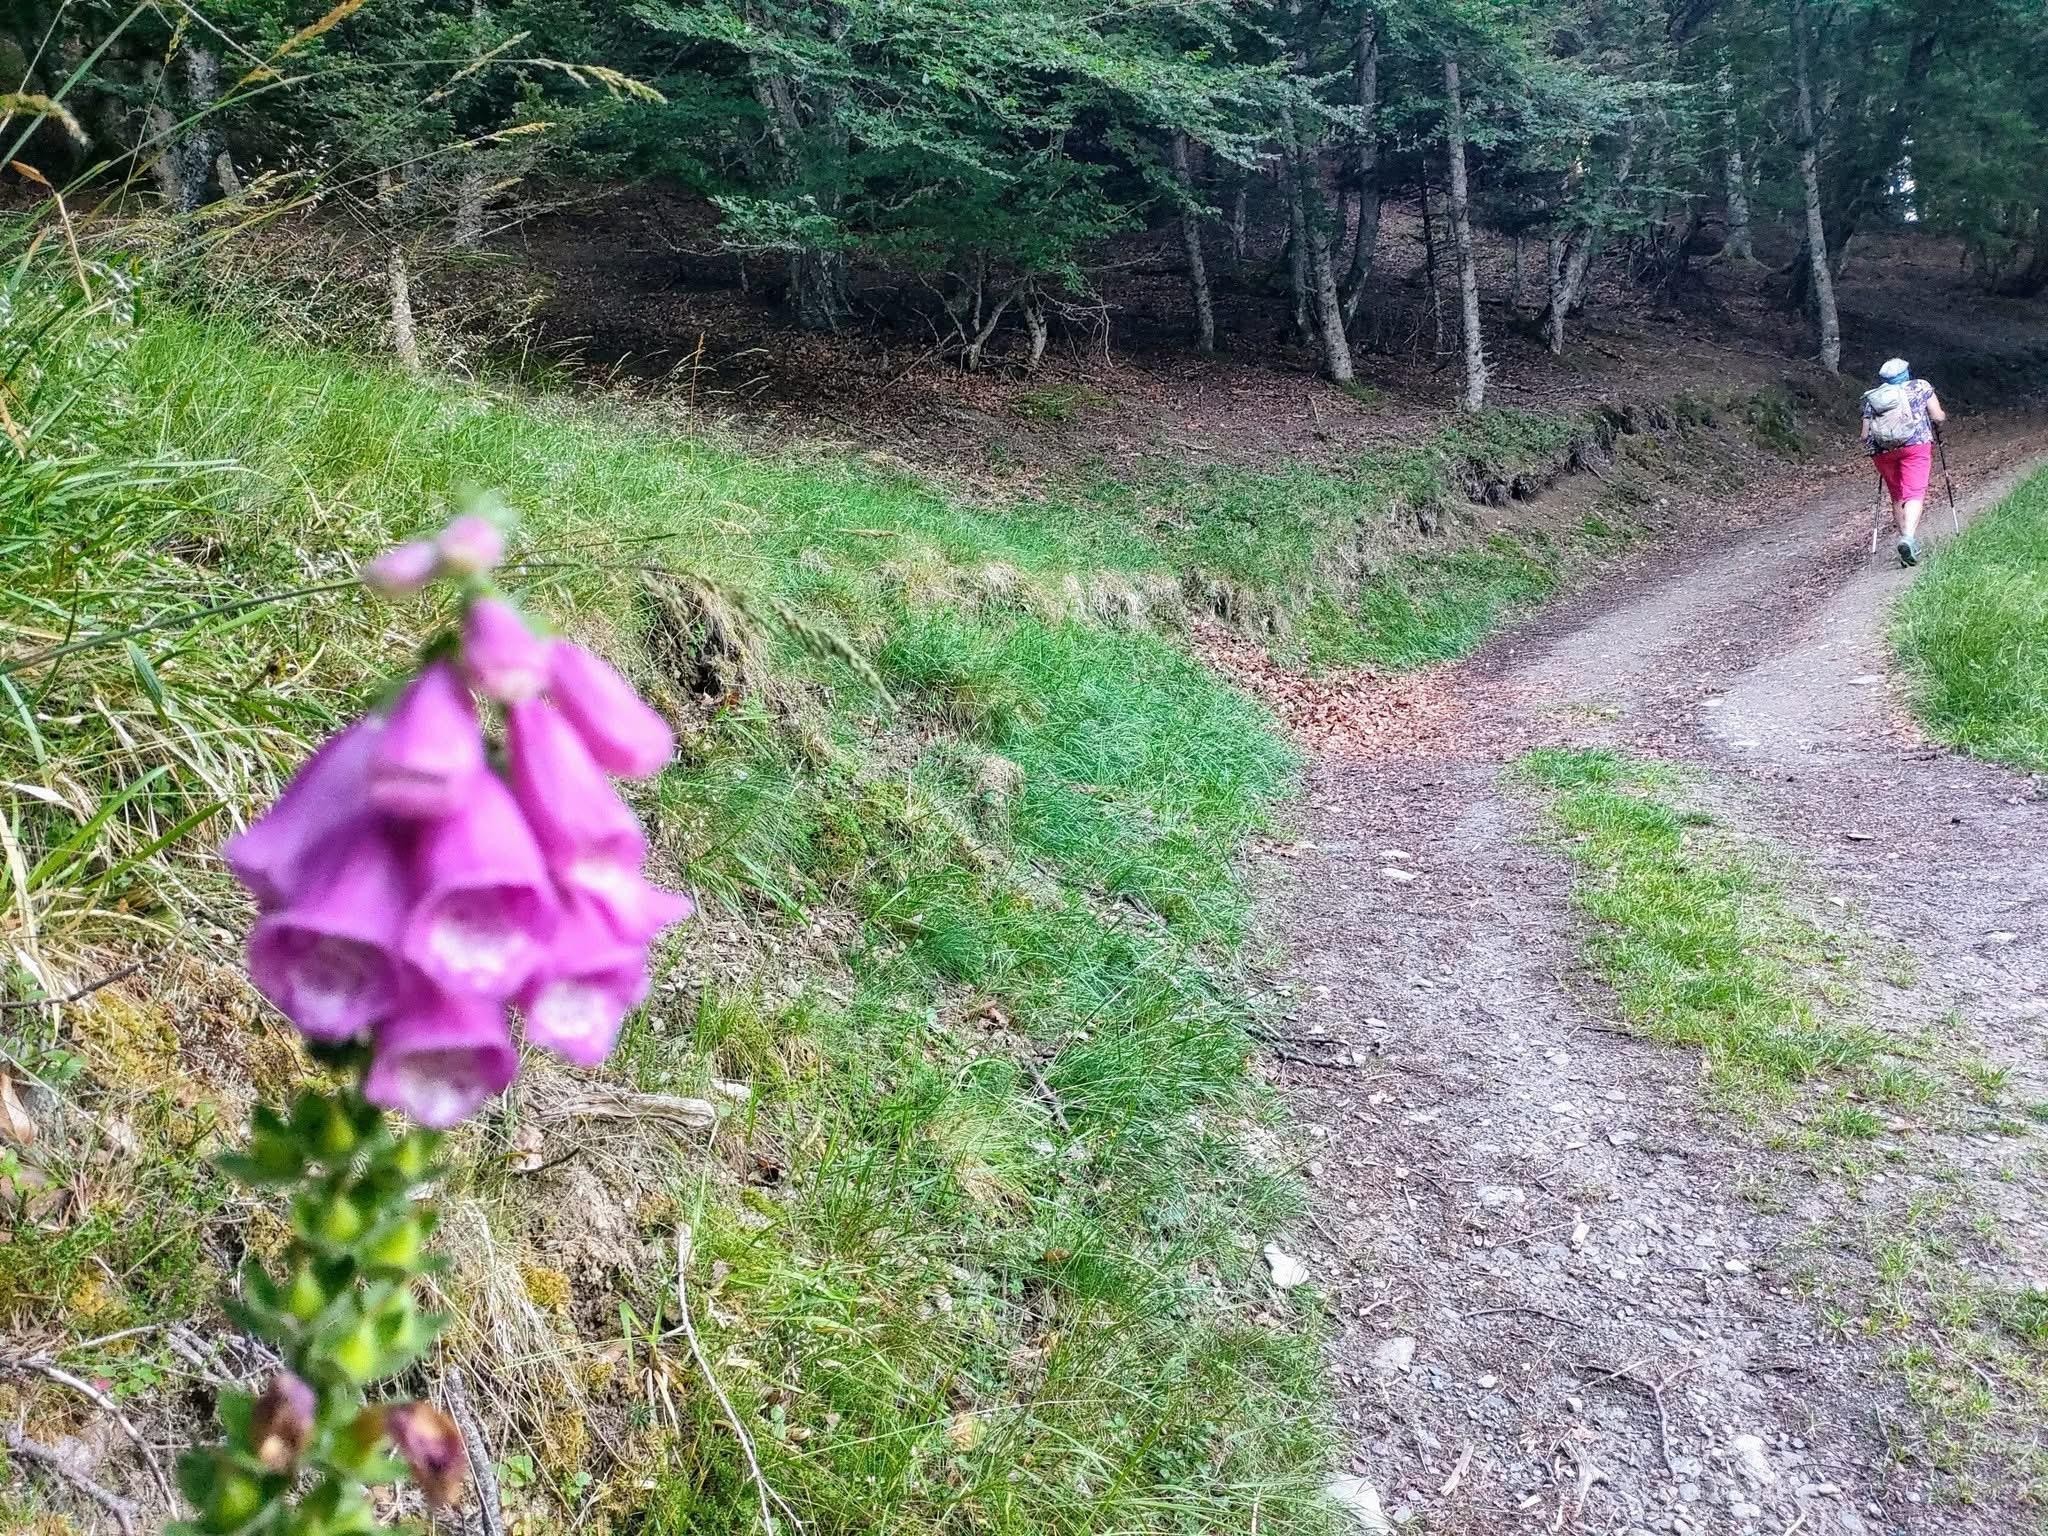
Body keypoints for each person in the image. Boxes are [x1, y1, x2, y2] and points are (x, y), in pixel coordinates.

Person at [1860, 358, 1946, 566]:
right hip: (1915, 447)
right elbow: (1937, 416)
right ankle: (1908, 538)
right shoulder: (1920, 386)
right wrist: (1939, 418)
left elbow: (1864, 434)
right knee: (1914, 493)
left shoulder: (1874, 397)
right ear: (1907, 372)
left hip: (1882, 452)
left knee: (1897, 496)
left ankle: (1906, 545)